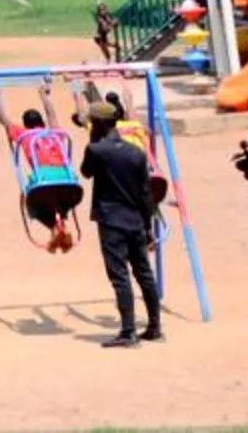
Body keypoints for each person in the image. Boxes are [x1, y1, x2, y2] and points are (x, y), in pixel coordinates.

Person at [79, 101, 164, 345]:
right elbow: (145, 194)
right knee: (144, 274)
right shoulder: (136, 153)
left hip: (111, 220)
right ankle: (154, 327)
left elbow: (86, 172)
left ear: (97, 124)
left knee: (120, 276)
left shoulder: (96, 150)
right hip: (136, 220)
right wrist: (148, 227)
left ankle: (128, 331)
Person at [0, 95, 84, 253]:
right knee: (62, 203)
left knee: (34, 206)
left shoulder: (25, 135)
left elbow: (3, 120)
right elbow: (52, 115)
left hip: (43, 183)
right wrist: (45, 94)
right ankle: (61, 224)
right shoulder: (55, 133)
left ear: (26, 125)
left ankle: (55, 228)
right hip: (70, 184)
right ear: (42, 122)